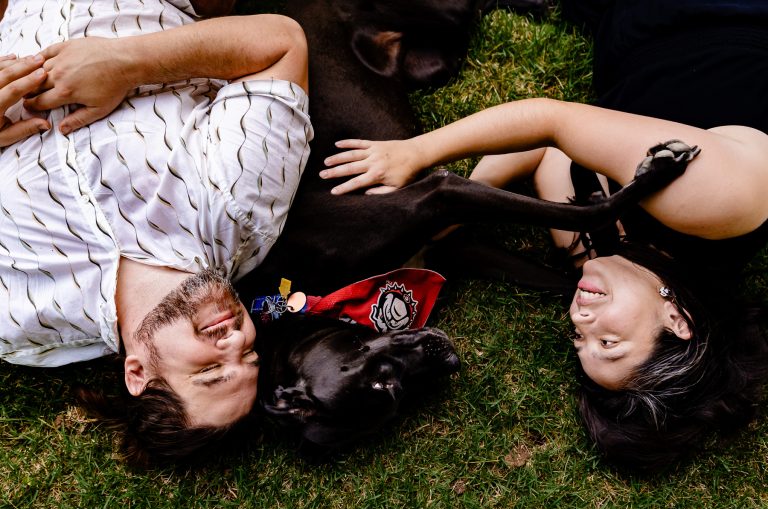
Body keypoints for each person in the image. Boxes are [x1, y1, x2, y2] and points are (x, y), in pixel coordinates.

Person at [318, 1, 768, 471]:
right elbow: (550, 121)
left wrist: (457, 211)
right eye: (609, 341)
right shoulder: (721, 205)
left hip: (627, 35)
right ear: (678, 321)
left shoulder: (595, 253)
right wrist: (415, 153)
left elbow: (541, 153)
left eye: (579, 339)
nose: (581, 318)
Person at [0, 0, 312, 466]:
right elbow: (281, 45)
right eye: (249, 357)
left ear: (138, 373)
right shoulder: (236, 211)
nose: (235, 341)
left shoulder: (21, 322)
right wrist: (128, 62)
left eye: (209, 371)